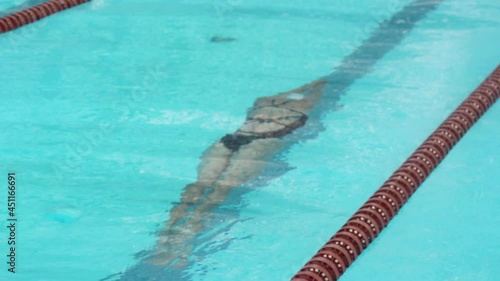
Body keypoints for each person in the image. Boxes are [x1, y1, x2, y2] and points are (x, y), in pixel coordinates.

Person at [144, 77, 328, 267]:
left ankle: (164, 239)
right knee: (220, 191)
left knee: (199, 186)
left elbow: (294, 92)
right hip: (262, 142)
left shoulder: (263, 101)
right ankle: (186, 241)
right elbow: (320, 94)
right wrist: (321, 84)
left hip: (231, 139)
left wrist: (309, 85)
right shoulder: (307, 103)